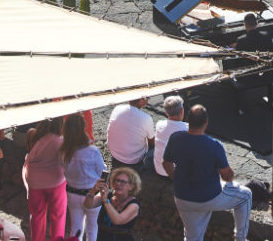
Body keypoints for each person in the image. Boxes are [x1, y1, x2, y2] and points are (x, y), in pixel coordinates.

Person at [164, 105, 252, 241]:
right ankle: (240, 238)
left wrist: (176, 178)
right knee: (246, 195)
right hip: (209, 198)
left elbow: (166, 163)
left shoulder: (175, 137)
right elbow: (227, 176)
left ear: (187, 119)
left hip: (182, 197)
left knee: (192, 237)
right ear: (206, 122)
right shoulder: (214, 145)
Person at [62, 114, 106, 241]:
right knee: (92, 228)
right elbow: (102, 171)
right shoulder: (92, 151)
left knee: (75, 229)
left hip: (71, 193)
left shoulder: (62, 151)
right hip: (91, 193)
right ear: (83, 128)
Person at [24, 117, 67, 241]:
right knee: (57, 216)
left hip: (34, 181)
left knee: (37, 216)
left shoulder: (32, 134)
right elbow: (65, 162)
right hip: (55, 182)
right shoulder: (60, 141)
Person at [85, 167, 141, 241]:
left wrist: (105, 201)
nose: (118, 183)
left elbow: (117, 220)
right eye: (117, 180)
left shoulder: (134, 205)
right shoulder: (107, 194)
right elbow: (88, 205)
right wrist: (93, 190)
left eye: (123, 182)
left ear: (131, 186)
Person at [106, 98, 155, 170]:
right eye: (147, 97)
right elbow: (151, 142)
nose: (148, 99)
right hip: (133, 159)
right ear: (141, 101)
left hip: (114, 152)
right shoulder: (146, 118)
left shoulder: (118, 108)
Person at [153, 97, 188, 178]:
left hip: (158, 169)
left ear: (166, 112)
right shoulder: (188, 129)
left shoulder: (159, 124)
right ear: (182, 110)